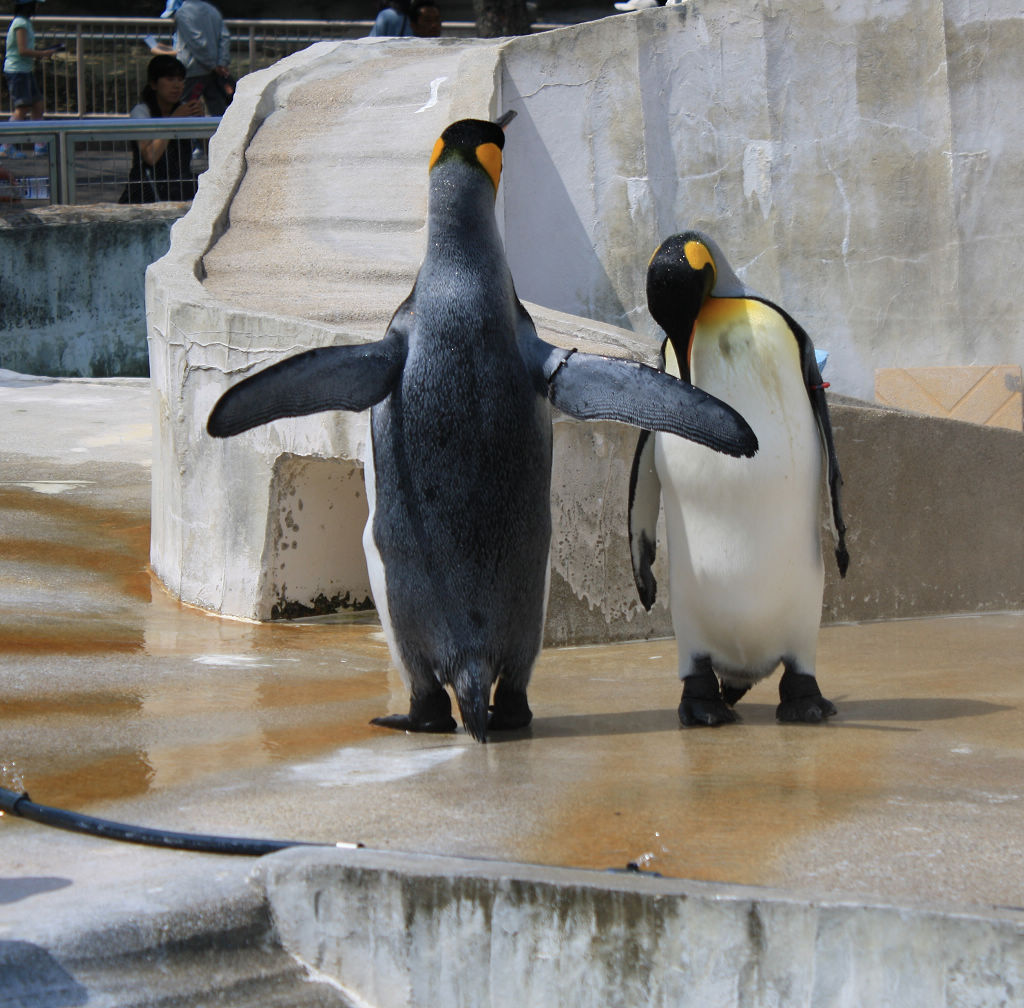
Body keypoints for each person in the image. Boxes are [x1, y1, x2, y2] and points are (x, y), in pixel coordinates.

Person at [119, 55, 201, 203]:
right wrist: (174, 120)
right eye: (170, 79)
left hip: (180, 190)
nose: (177, 86)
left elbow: (212, 151)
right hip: (144, 192)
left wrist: (201, 123)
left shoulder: (185, 111)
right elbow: (150, 156)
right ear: (154, 84)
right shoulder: (142, 112)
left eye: (181, 80)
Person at [151, 0, 232, 116]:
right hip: (212, 71)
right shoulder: (212, 10)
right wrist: (221, 63)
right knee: (218, 111)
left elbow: (196, 43)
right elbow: (224, 37)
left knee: (183, 106)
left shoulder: (182, 13)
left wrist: (213, 65)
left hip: (191, 70)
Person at [2, 0, 60, 158]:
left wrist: (43, 51)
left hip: (25, 70)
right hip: (17, 70)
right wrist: (43, 53)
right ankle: (6, 146)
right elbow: (22, 50)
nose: (38, 7)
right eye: (35, 4)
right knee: (22, 108)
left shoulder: (25, 22)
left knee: (37, 104)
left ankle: (39, 144)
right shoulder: (20, 23)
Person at [368, 0, 441, 37]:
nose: (434, 25)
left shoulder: (387, 15)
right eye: (428, 20)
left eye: (437, 20)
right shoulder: (388, 15)